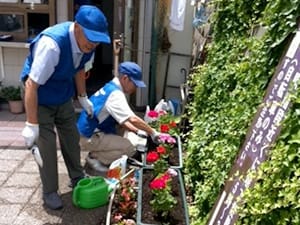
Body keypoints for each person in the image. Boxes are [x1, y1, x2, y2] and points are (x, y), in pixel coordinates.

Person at [20, 5, 111, 210]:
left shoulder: (88, 46)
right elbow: (31, 85)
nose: (93, 43)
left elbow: (79, 69)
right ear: (77, 27)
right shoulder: (52, 45)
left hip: (62, 94)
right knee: (47, 145)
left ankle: (77, 177)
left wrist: (82, 97)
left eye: (97, 40)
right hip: (39, 97)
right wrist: (31, 124)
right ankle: (50, 191)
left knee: (71, 136)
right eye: (90, 37)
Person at [77, 61, 160, 172]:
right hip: (87, 137)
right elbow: (132, 118)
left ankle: (98, 152)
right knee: (130, 148)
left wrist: (138, 131)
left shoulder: (110, 87)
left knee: (123, 132)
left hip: (86, 132)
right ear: (125, 78)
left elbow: (123, 121)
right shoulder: (115, 95)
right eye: (135, 84)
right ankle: (96, 158)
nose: (135, 88)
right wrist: (152, 132)